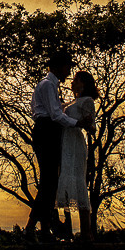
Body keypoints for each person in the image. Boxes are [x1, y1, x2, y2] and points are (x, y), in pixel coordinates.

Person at [26, 50, 84, 237]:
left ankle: (40, 227)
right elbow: (56, 115)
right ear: (59, 66)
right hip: (47, 131)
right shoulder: (48, 85)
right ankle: (35, 227)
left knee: (49, 181)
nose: (69, 72)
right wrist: (77, 123)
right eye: (68, 67)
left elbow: (54, 110)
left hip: (46, 130)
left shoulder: (48, 85)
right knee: (49, 181)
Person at [56, 70, 99, 241]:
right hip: (65, 143)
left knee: (79, 182)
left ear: (83, 83)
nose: (72, 82)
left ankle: (86, 231)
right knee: (66, 179)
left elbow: (92, 127)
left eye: (76, 79)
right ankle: (66, 230)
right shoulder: (73, 101)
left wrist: (86, 123)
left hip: (75, 144)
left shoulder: (87, 101)